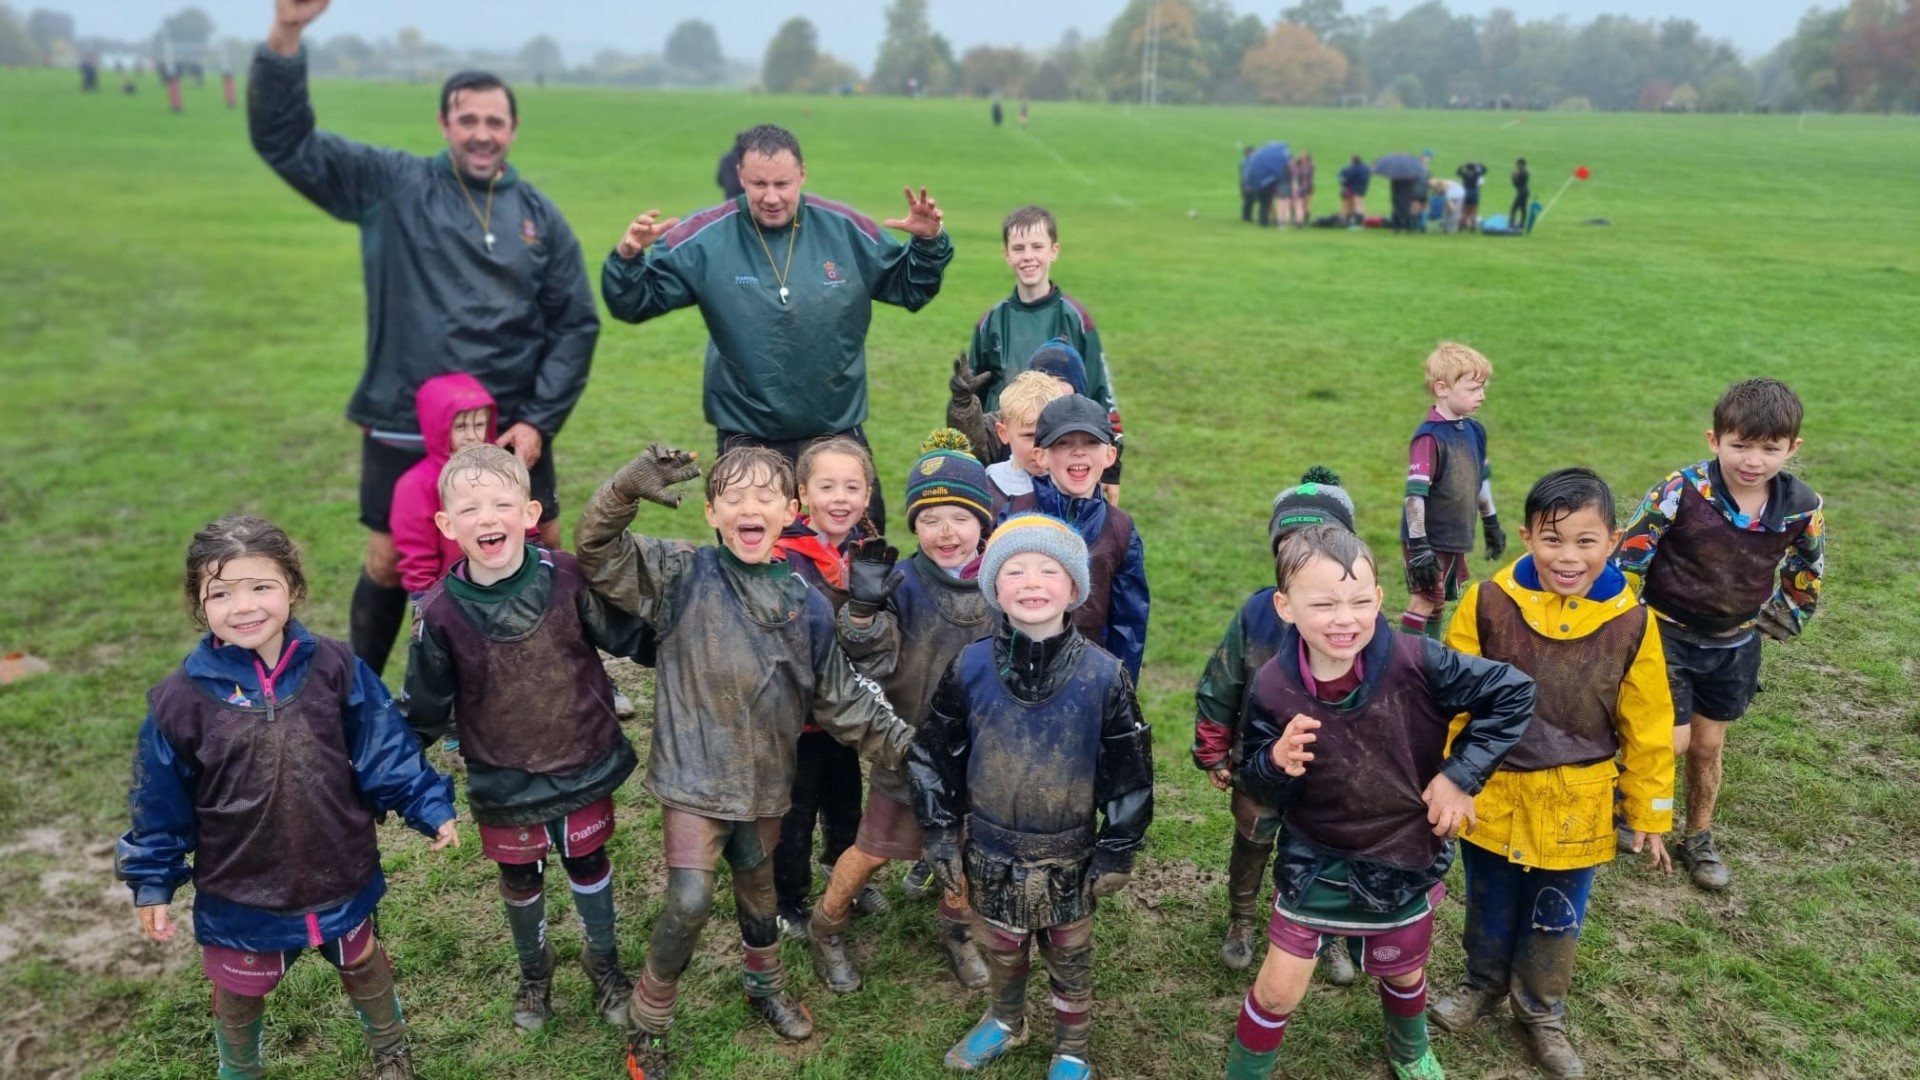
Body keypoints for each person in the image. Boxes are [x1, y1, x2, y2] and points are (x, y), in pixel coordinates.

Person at [250, 0, 600, 679]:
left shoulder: (539, 217)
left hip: (509, 424)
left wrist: (539, 421)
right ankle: (354, 694)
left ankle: (568, 677)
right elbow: (287, 143)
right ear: (443, 123)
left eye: (493, 120)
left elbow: (576, 322)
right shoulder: (393, 184)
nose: (480, 133)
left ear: (513, 129)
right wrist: (286, 34)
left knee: (543, 540)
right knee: (387, 558)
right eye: (466, 118)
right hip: (405, 412)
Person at [572, 443, 915, 1079]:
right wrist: (623, 489)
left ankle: (766, 987)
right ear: (710, 512)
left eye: (764, 497)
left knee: (758, 892)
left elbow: (844, 699)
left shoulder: (806, 605)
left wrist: (909, 751)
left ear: (791, 511)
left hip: (764, 781)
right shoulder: (680, 575)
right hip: (693, 776)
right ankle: (649, 1024)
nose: (748, 508)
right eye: (734, 497)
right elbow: (597, 553)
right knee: (690, 900)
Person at [118, 516, 459, 1080]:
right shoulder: (179, 703)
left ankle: (391, 1051)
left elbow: (383, 746)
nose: (244, 605)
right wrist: (153, 879)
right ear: (199, 605)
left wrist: (427, 802)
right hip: (242, 891)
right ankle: (240, 1070)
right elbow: (157, 805)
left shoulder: (334, 666)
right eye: (221, 593)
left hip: (339, 869)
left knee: (362, 958)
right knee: (239, 993)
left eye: (261, 586)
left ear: (294, 588)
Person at [1223, 526, 1534, 1080]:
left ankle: (1409, 1050)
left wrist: (1461, 775)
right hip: (1314, 859)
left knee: (1404, 974)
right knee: (1275, 992)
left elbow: (1513, 691)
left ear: (1380, 600)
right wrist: (1275, 762)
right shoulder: (1272, 686)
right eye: (1323, 603)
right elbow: (1255, 780)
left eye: (1360, 601)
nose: (1344, 618)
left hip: (1403, 853)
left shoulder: (1419, 661)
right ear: (1284, 607)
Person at [1428, 468, 1676, 1078]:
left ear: (1613, 540)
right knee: (1487, 898)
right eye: (1552, 539)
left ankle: (1541, 1012)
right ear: (1525, 536)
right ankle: (1483, 984)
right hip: (1494, 792)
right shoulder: (1487, 602)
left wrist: (1649, 812)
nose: (1569, 556)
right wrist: (1450, 777)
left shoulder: (1633, 623)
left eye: (1586, 541)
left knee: (1555, 912)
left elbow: (1648, 722)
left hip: (1578, 802)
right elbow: (1452, 699)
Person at [403, 445, 654, 1035]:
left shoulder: (567, 574)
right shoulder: (438, 614)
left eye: (501, 504)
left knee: (587, 859)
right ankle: (534, 969)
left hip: (583, 759)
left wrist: (685, 639)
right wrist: (381, 773)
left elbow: (625, 636)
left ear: (529, 513)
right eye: (469, 509)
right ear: (446, 525)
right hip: (504, 776)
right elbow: (424, 709)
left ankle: (605, 962)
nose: (487, 518)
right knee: (521, 876)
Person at [602, 124, 953, 535]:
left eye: (783, 183)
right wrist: (628, 256)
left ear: (802, 174)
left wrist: (929, 243)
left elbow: (910, 287)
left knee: (857, 555)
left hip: (836, 431)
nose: (771, 197)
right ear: (740, 177)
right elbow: (634, 302)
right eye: (759, 183)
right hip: (746, 435)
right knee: (754, 558)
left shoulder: (846, 229)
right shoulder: (703, 238)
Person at [908, 513, 1154, 1080]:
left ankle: (1072, 1049)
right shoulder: (969, 666)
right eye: (1015, 570)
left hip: (1069, 855)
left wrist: (1118, 848)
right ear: (995, 587)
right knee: (1002, 945)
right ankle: (1006, 1018)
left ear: (1074, 589)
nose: (1032, 582)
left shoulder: (1105, 676)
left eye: (1049, 570)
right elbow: (933, 753)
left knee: (1069, 953)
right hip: (990, 849)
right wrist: (940, 830)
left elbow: (1129, 772)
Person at [1613, 378, 1824, 891]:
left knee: (1708, 747)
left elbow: (1806, 568)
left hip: (1736, 643)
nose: (1754, 460)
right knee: (1672, 740)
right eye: (1740, 446)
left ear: (1791, 448)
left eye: (1770, 449)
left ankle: (1698, 837)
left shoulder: (1802, 506)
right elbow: (1630, 556)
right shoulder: (1680, 490)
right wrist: (1621, 621)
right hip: (1667, 633)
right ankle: (1630, 804)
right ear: (1715, 440)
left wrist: (1786, 615)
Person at [810, 431, 999, 994]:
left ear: (983, 523)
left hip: (977, 755)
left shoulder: (1001, 582)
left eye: (961, 518)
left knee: (962, 852)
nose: (947, 532)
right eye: (931, 518)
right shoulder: (900, 582)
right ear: (913, 525)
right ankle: (828, 924)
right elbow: (872, 656)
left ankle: (959, 933)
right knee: (872, 850)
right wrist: (863, 612)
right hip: (909, 749)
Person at [1192, 469, 1362, 979]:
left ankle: (1328, 931)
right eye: (1288, 543)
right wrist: (1213, 749)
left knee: (1329, 844)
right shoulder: (1257, 612)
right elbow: (1221, 682)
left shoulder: (1356, 616)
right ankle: (1242, 919)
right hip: (1259, 758)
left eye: (1317, 543)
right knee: (1253, 837)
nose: (1300, 556)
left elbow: (1382, 691)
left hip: (1330, 766)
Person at [772, 437, 890, 934]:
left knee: (846, 800)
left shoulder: (869, 553)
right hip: (796, 715)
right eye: (827, 486)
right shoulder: (782, 556)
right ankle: (787, 898)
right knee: (795, 811)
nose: (840, 498)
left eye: (852, 487)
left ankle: (842, 870)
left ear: (867, 495)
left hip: (847, 710)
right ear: (802, 495)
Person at [957, 206, 1125, 500]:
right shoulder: (991, 321)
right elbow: (973, 397)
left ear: (1054, 250)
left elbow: (1101, 391)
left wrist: (1112, 468)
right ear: (1007, 254)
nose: (1028, 256)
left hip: (1063, 455)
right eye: (1018, 248)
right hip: (1007, 453)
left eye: (1037, 246)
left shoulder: (1075, 318)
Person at [1004, 395, 1148, 684]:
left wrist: (1122, 690)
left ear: (1110, 455)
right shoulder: (1016, 515)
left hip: (1090, 678)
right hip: (1018, 675)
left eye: (1091, 443)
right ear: (1040, 456)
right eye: (1063, 443)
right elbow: (993, 602)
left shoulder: (1120, 528)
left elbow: (1129, 623)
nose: (1078, 453)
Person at [1400, 343, 1505, 639]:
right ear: (1442, 388)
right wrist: (1419, 546)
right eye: (1473, 389)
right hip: (1428, 538)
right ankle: (1402, 664)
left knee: (1438, 605)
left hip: (1455, 537)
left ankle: (1429, 661)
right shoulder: (1429, 438)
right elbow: (1414, 496)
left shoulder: (1475, 431)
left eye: (1483, 388)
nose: (1481, 396)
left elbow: (1480, 480)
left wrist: (1491, 522)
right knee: (1423, 601)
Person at [391, 373, 509, 595]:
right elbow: (416, 551)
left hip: (506, 584)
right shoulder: (416, 484)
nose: (472, 436)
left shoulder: (501, 469)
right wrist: (424, 600)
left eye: (480, 424)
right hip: (452, 595)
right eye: (461, 426)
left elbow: (523, 526)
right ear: (438, 426)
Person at [1338, 155, 1370, 226]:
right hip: (1362, 188)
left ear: (1352, 161)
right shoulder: (1365, 168)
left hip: (1352, 188)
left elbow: (1344, 178)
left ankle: (1348, 221)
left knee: (1349, 205)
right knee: (1360, 204)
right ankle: (1359, 220)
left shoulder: (1351, 169)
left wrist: (1343, 181)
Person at [1456, 161, 1486, 232]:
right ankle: (1473, 226)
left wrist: (1462, 165)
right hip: (1474, 192)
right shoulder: (1476, 174)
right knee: (1473, 210)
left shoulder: (1465, 174)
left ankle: (1461, 225)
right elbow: (1484, 170)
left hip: (1466, 192)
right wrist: (1479, 164)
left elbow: (1458, 172)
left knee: (1464, 210)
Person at [715, 133, 744, 200]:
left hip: (730, 194)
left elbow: (719, 180)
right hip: (744, 195)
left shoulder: (726, 158)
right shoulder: (747, 158)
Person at [1291, 152, 1315, 227]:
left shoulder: (1309, 166)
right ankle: (1299, 219)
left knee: (1305, 204)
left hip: (1306, 187)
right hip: (1306, 186)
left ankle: (1303, 220)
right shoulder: (1308, 166)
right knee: (1299, 204)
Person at [1510, 158, 1531, 230]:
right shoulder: (1525, 171)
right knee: (1523, 208)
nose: (1516, 166)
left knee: (1514, 208)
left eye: (1518, 164)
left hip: (1522, 192)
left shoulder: (1521, 173)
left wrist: (1513, 176)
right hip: (1525, 191)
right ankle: (1522, 224)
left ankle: (1511, 223)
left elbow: (1516, 183)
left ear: (1521, 164)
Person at [1240, 146, 1259, 225]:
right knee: (1249, 200)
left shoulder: (1245, 161)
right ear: (1249, 153)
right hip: (1248, 183)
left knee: (1249, 200)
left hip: (1246, 183)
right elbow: (1246, 174)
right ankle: (1247, 216)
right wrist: (1247, 184)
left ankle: (1247, 215)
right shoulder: (1247, 162)